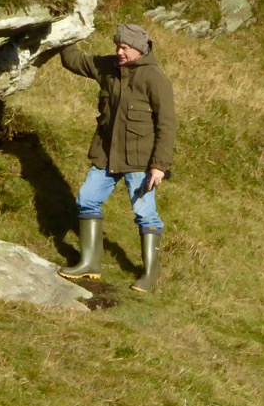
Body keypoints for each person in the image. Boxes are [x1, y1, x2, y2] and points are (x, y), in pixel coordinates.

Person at [56, 23, 175, 293]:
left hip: (139, 162)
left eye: (124, 48)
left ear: (138, 50)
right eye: (117, 46)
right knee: (87, 199)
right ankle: (89, 264)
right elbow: (74, 61)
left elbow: (167, 126)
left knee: (145, 214)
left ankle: (148, 275)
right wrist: (66, 35)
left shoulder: (155, 79)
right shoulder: (108, 67)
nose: (118, 51)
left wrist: (159, 166)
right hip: (106, 156)